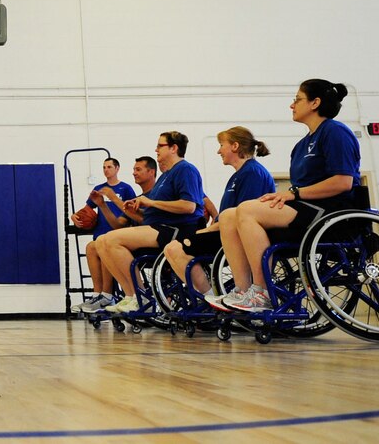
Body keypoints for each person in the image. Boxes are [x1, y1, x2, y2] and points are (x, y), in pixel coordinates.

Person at [213, 79, 360, 313]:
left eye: (297, 99)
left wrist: (294, 193)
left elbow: (343, 182)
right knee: (229, 215)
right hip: (305, 207)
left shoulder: (335, 131)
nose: (292, 105)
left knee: (246, 210)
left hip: (330, 210)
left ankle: (262, 292)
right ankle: (244, 290)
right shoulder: (301, 145)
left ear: (315, 103)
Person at [93, 132, 205, 314]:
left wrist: (150, 202)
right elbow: (149, 215)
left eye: (160, 146)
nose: (156, 149)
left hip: (177, 230)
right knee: (101, 242)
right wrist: (134, 210)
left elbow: (189, 206)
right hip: (157, 227)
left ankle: (141, 296)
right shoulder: (165, 176)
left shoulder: (186, 169)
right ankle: (131, 295)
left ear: (173, 148)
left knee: (112, 239)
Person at [163, 127, 275, 297]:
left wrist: (206, 230)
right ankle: (209, 297)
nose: (218, 151)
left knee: (175, 248)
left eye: (221, 145)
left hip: (237, 237)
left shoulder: (253, 173)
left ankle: (210, 298)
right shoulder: (239, 174)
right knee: (172, 249)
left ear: (235, 146)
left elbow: (242, 218)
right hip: (224, 232)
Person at [74, 157, 155, 313]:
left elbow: (132, 221)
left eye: (109, 166)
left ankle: (116, 294)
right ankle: (100, 295)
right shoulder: (102, 189)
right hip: (112, 232)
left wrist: (113, 198)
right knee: (93, 246)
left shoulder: (128, 190)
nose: (106, 170)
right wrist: (100, 206)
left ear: (117, 168)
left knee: (108, 242)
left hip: (143, 237)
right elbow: (118, 221)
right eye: (104, 167)